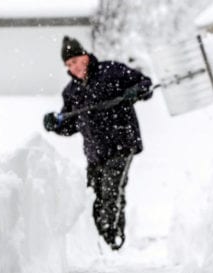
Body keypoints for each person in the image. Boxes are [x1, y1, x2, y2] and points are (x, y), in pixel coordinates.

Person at [43, 36, 153, 251]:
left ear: (85, 56)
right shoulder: (71, 92)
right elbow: (70, 124)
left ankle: (112, 239)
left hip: (122, 143)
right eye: (68, 64)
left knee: (111, 190)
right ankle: (102, 241)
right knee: (95, 195)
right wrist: (54, 123)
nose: (73, 67)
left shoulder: (111, 71)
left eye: (75, 61)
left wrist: (135, 91)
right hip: (95, 152)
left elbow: (145, 83)